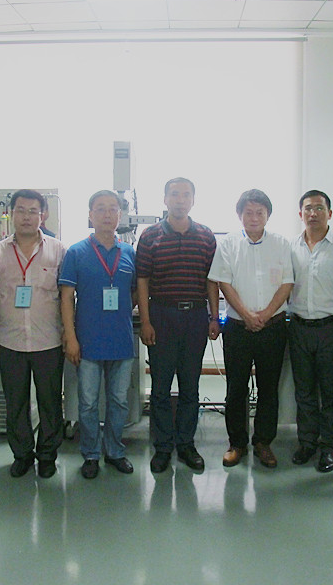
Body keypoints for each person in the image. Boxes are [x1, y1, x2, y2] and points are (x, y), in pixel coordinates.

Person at [136, 178, 220, 474]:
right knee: (160, 386)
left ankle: (186, 444)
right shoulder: (150, 236)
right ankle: (162, 447)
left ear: (193, 200)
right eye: (174, 194)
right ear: (165, 199)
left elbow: (212, 280)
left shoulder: (206, 236)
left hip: (195, 317)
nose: (180, 200)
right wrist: (146, 321)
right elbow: (142, 280)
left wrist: (214, 316)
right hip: (162, 316)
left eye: (186, 195)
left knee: (190, 385)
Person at [208, 189, 294, 469]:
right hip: (237, 327)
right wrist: (246, 315)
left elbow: (287, 283)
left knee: (269, 388)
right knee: (236, 388)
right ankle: (236, 444)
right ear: (239, 215)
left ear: (268, 215)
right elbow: (223, 282)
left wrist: (265, 315)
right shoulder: (228, 244)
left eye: (260, 212)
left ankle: (263, 443)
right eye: (248, 212)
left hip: (273, 327)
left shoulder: (281, 244)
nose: (254, 217)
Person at [0, 190, 66, 479]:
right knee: (16, 403)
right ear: (11, 214)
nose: (26, 217)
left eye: (33, 211)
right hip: (10, 340)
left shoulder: (59, 250)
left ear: (42, 215)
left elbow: (67, 296)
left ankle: (47, 455)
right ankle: (22, 454)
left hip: (49, 340)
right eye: (20, 210)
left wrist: (68, 334)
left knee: (50, 402)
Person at [59, 190, 137, 479]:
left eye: (113, 209)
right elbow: (66, 297)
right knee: (88, 402)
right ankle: (91, 454)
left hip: (121, 341)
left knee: (119, 401)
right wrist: (71, 337)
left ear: (120, 215)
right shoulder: (76, 252)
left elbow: (135, 292)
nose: (107, 214)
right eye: (101, 209)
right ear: (90, 215)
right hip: (88, 340)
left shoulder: (129, 252)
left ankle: (115, 451)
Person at [288, 190, 333, 473]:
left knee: (332, 392)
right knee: (304, 391)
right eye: (308, 208)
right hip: (299, 327)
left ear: (330, 213)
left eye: (319, 208)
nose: (313, 213)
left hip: (330, 328)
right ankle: (307, 443)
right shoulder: (291, 246)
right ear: (300, 213)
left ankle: (330, 446)